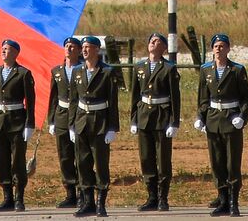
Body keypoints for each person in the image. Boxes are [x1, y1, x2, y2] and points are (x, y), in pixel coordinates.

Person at [197, 33, 248, 217]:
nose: (218, 49)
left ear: (228, 49)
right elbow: (203, 98)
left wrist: (242, 117)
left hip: (231, 120)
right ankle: (222, 199)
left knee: (232, 163)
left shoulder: (237, 70)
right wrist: (201, 117)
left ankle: (233, 201)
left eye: (222, 46)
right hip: (213, 120)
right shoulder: (206, 70)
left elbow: (246, 98)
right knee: (217, 163)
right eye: (216, 46)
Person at [130, 32, 181, 212]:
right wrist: (133, 119)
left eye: (157, 41)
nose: (153, 42)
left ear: (164, 48)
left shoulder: (169, 68)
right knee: (146, 158)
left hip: (162, 116)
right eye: (151, 40)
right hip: (144, 116)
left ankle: (162, 198)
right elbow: (135, 95)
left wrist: (174, 123)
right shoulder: (140, 67)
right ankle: (151, 196)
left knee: (163, 159)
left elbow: (175, 98)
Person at [72, 35, 121, 218]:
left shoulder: (107, 72)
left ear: (97, 50)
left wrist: (112, 128)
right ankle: (87, 202)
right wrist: (71, 125)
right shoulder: (78, 71)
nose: (84, 50)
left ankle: (101, 203)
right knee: (83, 164)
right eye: (83, 47)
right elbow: (73, 100)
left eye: (88, 47)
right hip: (81, 122)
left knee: (100, 164)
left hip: (100, 122)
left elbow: (113, 102)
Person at [0, 38, 36, 213]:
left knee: (17, 161)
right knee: (1, 160)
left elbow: (30, 102)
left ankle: (19, 197)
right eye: (3, 48)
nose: (4, 51)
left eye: (7, 49)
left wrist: (29, 124)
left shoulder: (23, 74)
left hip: (17, 121)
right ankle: (6, 196)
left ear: (15, 53)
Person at [47, 36, 85, 210]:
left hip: (79, 114)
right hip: (62, 114)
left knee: (81, 155)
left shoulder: (83, 69)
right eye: (66, 46)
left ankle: (84, 192)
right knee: (65, 155)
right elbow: (53, 97)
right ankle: (70, 193)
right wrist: (52, 120)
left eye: (72, 47)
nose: (69, 49)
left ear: (78, 50)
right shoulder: (57, 71)